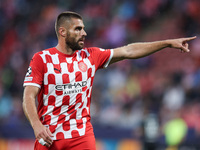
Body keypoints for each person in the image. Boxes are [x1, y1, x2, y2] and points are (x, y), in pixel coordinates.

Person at [22, 11, 196, 150]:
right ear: (62, 32)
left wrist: (166, 43)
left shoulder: (91, 56)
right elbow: (28, 96)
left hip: (81, 137)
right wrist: (37, 125)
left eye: (83, 28)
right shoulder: (42, 59)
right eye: (78, 29)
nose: (84, 33)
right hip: (50, 136)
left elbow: (129, 51)